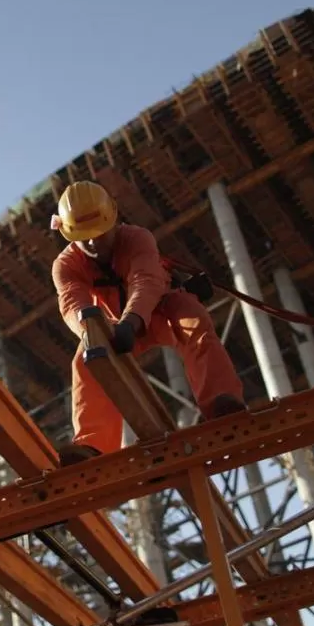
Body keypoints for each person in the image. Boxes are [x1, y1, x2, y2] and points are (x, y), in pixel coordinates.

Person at [50, 180, 246, 467]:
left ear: (114, 220)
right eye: (84, 236)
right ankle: (93, 446)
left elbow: (146, 281)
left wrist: (132, 321)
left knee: (191, 316)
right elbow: (72, 304)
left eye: (99, 233)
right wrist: (93, 333)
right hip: (114, 329)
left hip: (157, 311)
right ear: (69, 234)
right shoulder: (65, 265)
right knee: (85, 358)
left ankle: (222, 404)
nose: (93, 242)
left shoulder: (137, 238)